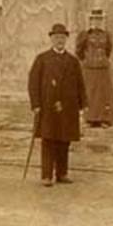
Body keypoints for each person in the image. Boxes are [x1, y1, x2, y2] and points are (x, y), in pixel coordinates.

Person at [28, 23, 88, 186]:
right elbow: (33, 83)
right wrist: (35, 105)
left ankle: (62, 173)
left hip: (68, 107)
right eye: (56, 37)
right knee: (48, 140)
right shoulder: (42, 59)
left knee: (64, 140)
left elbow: (80, 84)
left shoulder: (73, 61)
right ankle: (46, 176)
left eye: (62, 37)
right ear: (51, 39)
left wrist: (83, 105)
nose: (59, 40)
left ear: (66, 39)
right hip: (48, 107)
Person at [75, 8, 113, 127]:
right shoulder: (84, 35)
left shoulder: (106, 35)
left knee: (104, 94)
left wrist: (102, 60)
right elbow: (78, 50)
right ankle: (90, 119)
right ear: (90, 21)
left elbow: (108, 49)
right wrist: (87, 60)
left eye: (99, 20)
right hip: (89, 68)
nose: (97, 22)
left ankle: (104, 118)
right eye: (94, 20)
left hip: (102, 68)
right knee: (90, 93)